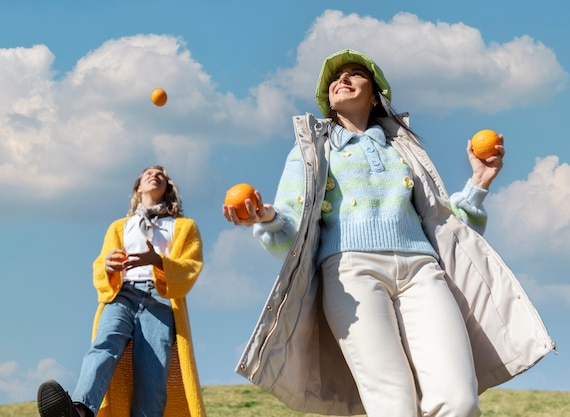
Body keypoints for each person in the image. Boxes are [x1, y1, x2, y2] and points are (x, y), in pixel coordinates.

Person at [223, 49, 554, 417]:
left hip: (423, 272)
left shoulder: (404, 148)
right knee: (393, 406)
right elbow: (288, 232)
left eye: (354, 74)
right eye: (335, 78)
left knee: (459, 401)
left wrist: (478, 183)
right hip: (351, 274)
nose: (341, 80)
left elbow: (445, 221)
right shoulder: (311, 152)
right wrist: (265, 217)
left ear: (375, 93)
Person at [38, 165, 206, 417]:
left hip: (160, 301)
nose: (155, 175)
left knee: (154, 374)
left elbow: (190, 266)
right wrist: (108, 266)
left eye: (161, 175)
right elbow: (101, 264)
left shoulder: (183, 227)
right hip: (122, 295)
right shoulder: (120, 227)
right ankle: (79, 411)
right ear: (138, 187)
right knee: (103, 345)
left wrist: (157, 260)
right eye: (148, 173)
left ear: (168, 189)